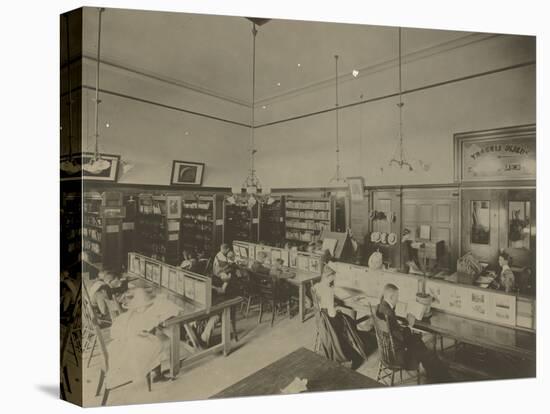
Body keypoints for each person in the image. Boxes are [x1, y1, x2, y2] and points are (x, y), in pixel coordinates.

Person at [376, 283, 449, 382]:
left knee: (417, 340)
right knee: (421, 348)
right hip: (397, 356)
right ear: (391, 296)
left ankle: (433, 371)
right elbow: (400, 337)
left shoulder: (381, 307)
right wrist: (409, 325)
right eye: (397, 297)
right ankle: (438, 374)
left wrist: (401, 326)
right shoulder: (388, 313)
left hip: (386, 352)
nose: (398, 299)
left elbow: (393, 330)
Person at [107, 285, 178, 385]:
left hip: (126, 341)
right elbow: (149, 323)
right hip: (133, 347)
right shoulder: (142, 317)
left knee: (152, 335)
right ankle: (155, 373)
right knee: (157, 343)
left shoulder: (129, 314)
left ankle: (155, 372)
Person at [313, 262, 370, 369]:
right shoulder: (329, 290)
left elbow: (322, 304)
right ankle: (353, 345)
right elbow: (332, 313)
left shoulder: (316, 286)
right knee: (348, 320)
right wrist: (337, 308)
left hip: (321, 320)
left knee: (347, 319)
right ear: (329, 276)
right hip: (329, 322)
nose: (334, 278)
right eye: (334, 276)